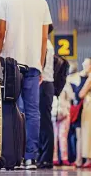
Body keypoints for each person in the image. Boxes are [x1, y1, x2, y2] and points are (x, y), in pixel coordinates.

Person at [0, 0, 52, 170]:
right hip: (33, 65)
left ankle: (13, 156)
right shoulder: (42, 2)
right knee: (33, 112)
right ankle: (30, 158)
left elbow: (1, 33)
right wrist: (40, 64)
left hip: (11, 64)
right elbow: (44, 38)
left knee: (12, 108)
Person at [38, 39, 55, 169]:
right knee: (43, 121)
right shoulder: (46, 43)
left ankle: (46, 158)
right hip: (46, 84)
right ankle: (43, 157)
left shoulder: (45, 43)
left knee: (45, 121)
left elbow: (41, 64)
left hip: (44, 83)